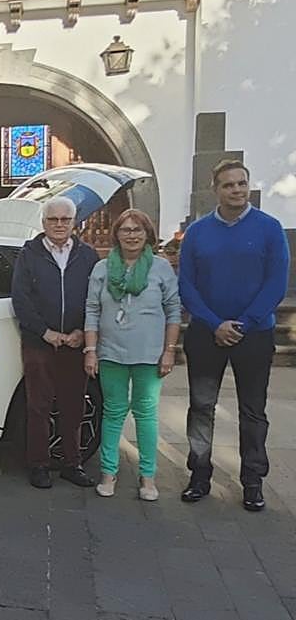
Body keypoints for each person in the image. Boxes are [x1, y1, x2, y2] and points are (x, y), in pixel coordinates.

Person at [179, 159, 289, 511]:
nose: (237, 190)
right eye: (228, 185)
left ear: (249, 186)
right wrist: (215, 324)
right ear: (216, 189)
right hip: (206, 333)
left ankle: (253, 480)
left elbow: (276, 283)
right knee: (201, 407)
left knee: (253, 411)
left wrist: (243, 322)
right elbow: (187, 285)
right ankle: (199, 475)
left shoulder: (270, 228)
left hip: (254, 335)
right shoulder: (197, 233)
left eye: (242, 184)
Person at [83, 210, 181, 500]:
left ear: (147, 234)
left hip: (150, 355)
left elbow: (173, 310)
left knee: (146, 414)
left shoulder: (161, 268)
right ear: (117, 234)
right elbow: (92, 310)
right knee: (113, 412)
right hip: (111, 353)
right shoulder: (102, 268)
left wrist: (169, 351)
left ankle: (148, 477)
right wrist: (90, 351)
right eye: (125, 229)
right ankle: (108, 472)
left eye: (137, 229)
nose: (131, 235)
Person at [11, 196, 99, 489]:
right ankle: (39, 464)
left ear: (75, 223)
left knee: (74, 405)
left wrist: (80, 332)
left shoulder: (87, 255)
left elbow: (96, 298)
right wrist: (45, 332)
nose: (59, 225)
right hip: (40, 342)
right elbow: (20, 299)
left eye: (65, 219)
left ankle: (72, 464)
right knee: (38, 405)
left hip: (75, 342)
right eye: (53, 219)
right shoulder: (29, 254)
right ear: (44, 223)